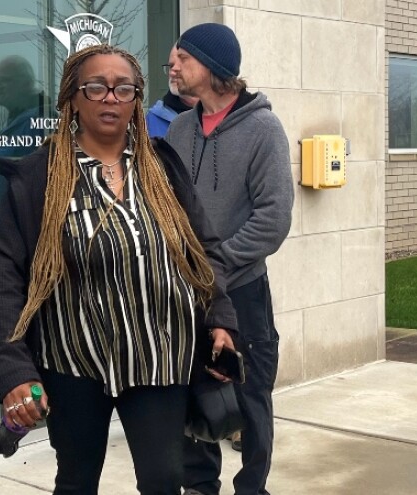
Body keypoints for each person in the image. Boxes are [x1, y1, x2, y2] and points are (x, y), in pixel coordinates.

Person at [0, 44, 239, 495]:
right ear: (72, 98)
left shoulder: (161, 168)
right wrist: (13, 371)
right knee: (77, 481)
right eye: (95, 87)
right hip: (74, 361)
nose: (110, 97)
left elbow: (203, 250)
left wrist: (220, 318)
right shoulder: (39, 178)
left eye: (124, 89)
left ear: (137, 98)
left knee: (164, 480)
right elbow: (2, 279)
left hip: (159, 355)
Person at [166, 23, 294, 495]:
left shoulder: (263, 129)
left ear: (214, 67)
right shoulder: (179, 129)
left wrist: (213, 269)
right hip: (187, 294)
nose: (173, 68)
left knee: (250, 396)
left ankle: (251, 488)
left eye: (182, 58)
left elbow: (273, 220)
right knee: (193, 392)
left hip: (241, 292)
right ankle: (200, 486)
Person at [146, 45, 198, 138]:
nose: (172, 72)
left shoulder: (226, 118)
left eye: (181, 66)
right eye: (171, 66)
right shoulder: (152, 120)